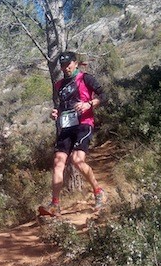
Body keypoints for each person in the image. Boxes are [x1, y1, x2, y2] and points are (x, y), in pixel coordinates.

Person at [38, 51, 107, 216]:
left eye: (68, 64)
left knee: (77, 160)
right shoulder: (59, 85)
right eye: (62, 65)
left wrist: (89, 104)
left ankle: (98, 192)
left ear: (75, 63)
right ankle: (55, 204)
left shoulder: (85, 78)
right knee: (58, 162)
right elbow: (62, 106)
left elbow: (104, 95)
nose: (65, 68)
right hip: (67, 126)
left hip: (84, 124)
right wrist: (55, 113)